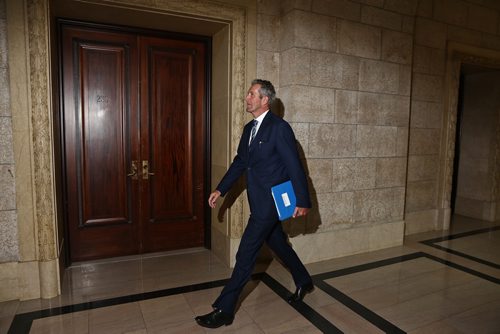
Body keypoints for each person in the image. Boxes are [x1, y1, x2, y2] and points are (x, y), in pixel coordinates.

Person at [195, 79, 313, 328]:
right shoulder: (250, 129)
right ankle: (303, 280)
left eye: (251, 94)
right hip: (257, 198)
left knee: (245, 252)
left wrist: (303, 200)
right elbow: (241, 162)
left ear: (264, 100)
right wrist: (221, 189)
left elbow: (294, 165)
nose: (247, 98)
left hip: (270, 203)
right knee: (278, 245)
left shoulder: (279, 128)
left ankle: (224, 310)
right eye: (248, 94)